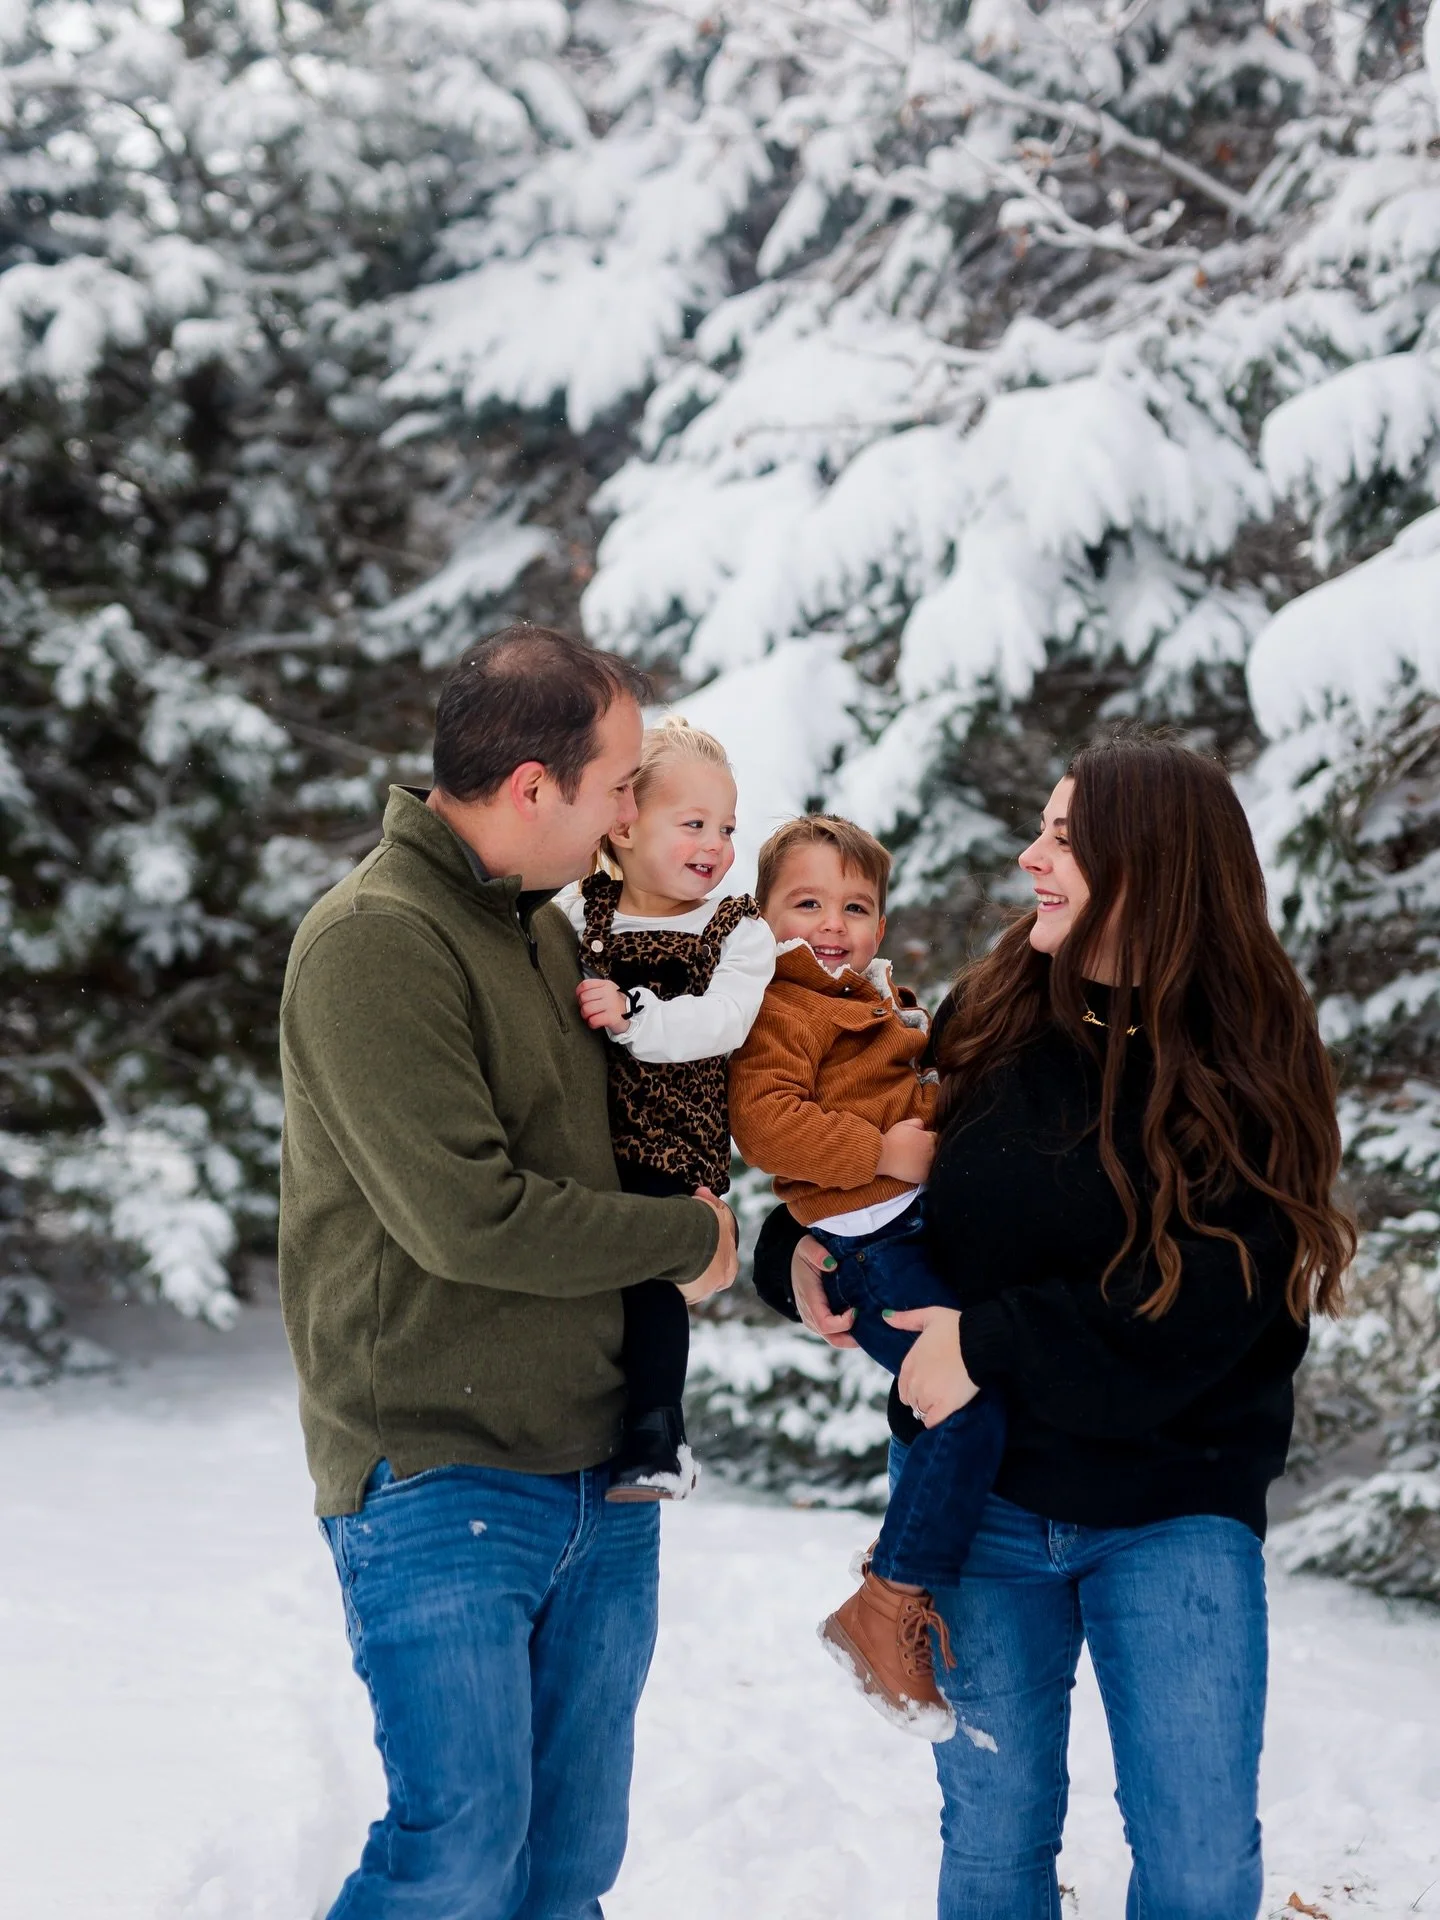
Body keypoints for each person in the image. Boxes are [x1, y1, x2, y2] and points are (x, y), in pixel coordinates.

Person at [752, 729, 1354, 1920]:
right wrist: (800, 1247)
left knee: (1194, 1859)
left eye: (1065, 838)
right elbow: (875, 1155)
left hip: (1175, 1507)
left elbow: (1219, 1302)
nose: (1032, 857)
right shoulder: (991, 1013)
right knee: (993, 1841)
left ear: (1151, 864)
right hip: (987, 1503)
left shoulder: (1252, 1057)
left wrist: (990, 1340)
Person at [278, 625, 738, 1920]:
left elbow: (634, 1133)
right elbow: (467, 1218)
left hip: (602, 1476)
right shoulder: (374, 940)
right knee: (459, 1856)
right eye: (619, 783)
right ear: (534, 788)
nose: (633, 809)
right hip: (441, 1469)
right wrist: (688, 1243)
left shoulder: (547, 932)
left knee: (565, 1874)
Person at [728, 815, 1005, 1740]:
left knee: (968, 1395)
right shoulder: (780, 1004)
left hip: (906, 1226)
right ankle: (885, 1605)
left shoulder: (876, 996)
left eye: (855, 905)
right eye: (807, 903)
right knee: (964, 1406)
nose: (834, 922)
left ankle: (896, 1596)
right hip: (871, 1243)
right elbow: (765, 1123)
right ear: (761, 918)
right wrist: (879, 1146)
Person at [555, 716, 774, 1499]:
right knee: (584, 1273)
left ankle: (658, 1431)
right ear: (626, 822)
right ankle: (581, 1412)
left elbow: (724, 1023)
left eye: (726, 828)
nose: (715, 844)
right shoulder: (581, 912)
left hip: (671, 1143)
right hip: (585, 1135)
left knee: (648, 1272)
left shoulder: (736, 930)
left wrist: (636, 1015)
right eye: (693, 823)